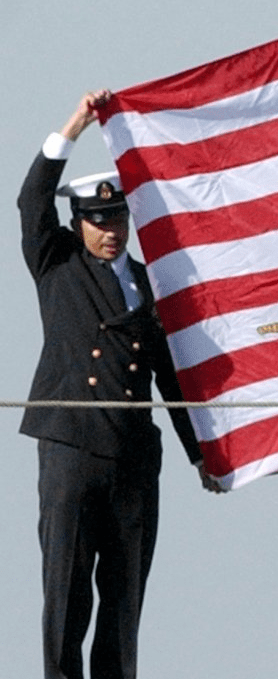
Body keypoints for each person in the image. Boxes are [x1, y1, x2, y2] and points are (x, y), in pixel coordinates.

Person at [19, 90, 222, 679]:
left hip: (132, 457)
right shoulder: (58, 263)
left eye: (119, 219)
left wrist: (199, 455)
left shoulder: (147, 283)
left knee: (123, 597)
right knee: (66, 591)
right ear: (78, 223)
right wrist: (76, 125)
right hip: (72, 449)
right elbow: (31, 199)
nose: (112, 231)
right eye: (100, 220)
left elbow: (170, 376)